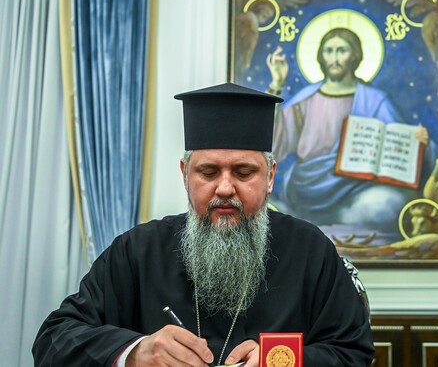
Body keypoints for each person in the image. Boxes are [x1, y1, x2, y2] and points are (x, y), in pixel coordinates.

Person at [32, 83, 375, 367]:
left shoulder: (310, 250)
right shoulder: (138, 250)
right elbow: (53, 340)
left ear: (270, 177)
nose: (225, 188)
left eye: (243, 173)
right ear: (185, 175)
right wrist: (135, 352)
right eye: (208, 173)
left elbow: (352, 351)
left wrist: (280, 360)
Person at [266, 27, 438, 234]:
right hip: (305, 189)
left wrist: (420, 142)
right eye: (328, 51)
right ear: (320, 56)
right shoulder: (306, 99)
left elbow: (400, 147)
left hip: (356, 192)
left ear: (355, 56)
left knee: (387, 205)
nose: (334, 58)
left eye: (342, 50)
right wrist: (277, 84)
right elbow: (273, 141)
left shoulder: (374, 101)